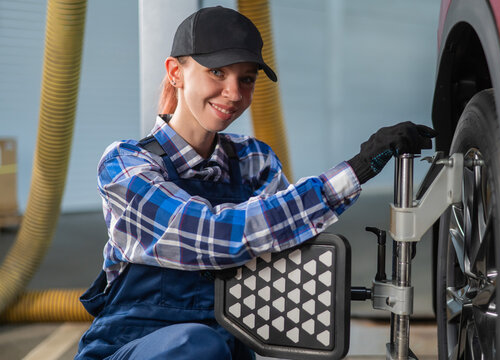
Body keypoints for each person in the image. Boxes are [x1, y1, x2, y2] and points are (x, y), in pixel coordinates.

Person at [75, 6, 436, 360]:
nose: (233, 93)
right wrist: (354, 173)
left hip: (228, 347)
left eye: (246, 78)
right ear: (175, 73)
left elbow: (288, 249)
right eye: (217, 72)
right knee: (196, 345)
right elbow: (216, 236)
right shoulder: (125, 164)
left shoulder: (255, 161)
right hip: (136, 346)